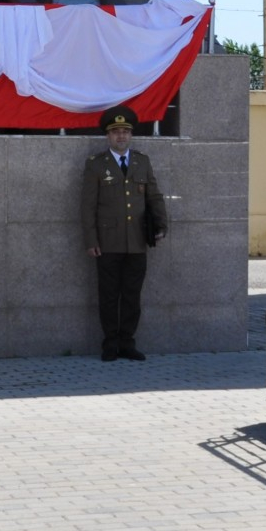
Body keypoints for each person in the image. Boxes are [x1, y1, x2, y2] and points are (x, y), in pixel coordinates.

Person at [80, 105, 167, 362]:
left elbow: (154, 196)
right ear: (108, 136)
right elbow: (87, 206)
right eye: (116, 132)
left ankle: (127, 343)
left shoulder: (142, 161)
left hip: (137, 241)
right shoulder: (96, 165)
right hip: (107, 242)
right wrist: (91, 240)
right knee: (108, 296)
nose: (121, 136)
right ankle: (110, 343)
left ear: (131, 135)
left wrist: (161, 225)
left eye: (126, 132)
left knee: (132, 295)